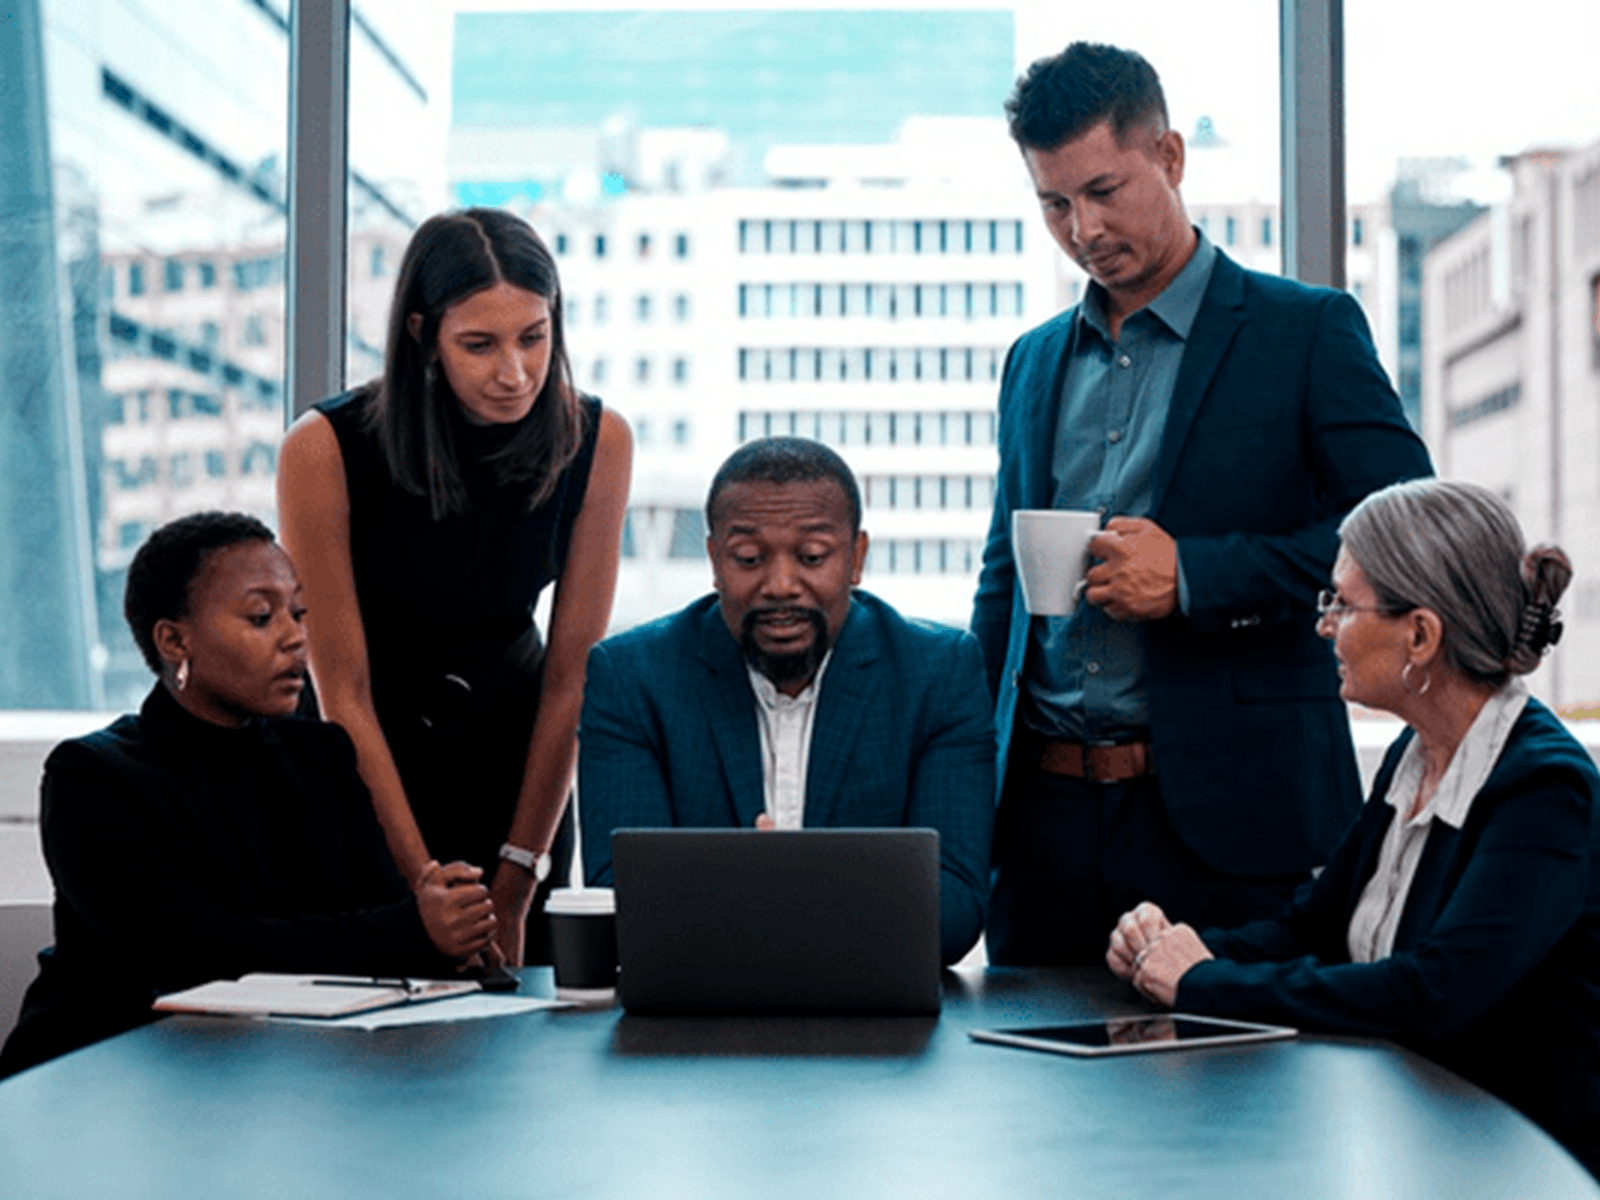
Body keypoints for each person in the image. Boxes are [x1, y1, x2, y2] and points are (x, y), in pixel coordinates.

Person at [971, 42, 1434, 965]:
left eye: (1104, 189)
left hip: (1235, 822)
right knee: (1033, 1099)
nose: (1082, 227)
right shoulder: (1030, 361)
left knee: (1240, 1098)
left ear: (1170, 157)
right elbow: (1001, 589)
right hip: (1044, 826)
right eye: (1054, 203)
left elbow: (1405, 534)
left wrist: (1193, 574)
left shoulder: (1303, 332)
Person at [1107, 479, 1600, 1177]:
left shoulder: (1546, 791)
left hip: (1513, 1163)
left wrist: (1203, 983)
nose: (1324, 625)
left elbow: (1432, 993)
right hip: (1407, 1128)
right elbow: (1313, 927)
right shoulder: (1415, 752)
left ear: (1421, 635)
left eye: (1342, 602)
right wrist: (1170, 950)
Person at [0, 513, 495, 1079]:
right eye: (261, 617)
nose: (295, 637)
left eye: (299, 612)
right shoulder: (92, 777)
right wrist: (412, 930)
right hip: (110, 1076)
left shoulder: (322, 755)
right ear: (173, 639)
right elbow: (195, 953)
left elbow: (380, 914)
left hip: (282, 1073)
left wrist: (441, 926)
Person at [278, 208, 631, 966]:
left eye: (534, 338)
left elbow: (574, 674)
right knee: (372, 1037)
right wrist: (423, 885)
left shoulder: (597, 440)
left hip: (518, 765)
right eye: (480, 344)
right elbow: (342, 688)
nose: (515, 373)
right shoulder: (323, 448)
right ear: (421, 333)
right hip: (366, 762)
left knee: (520, 1034)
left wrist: (518, 877)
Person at [578, 438, 993, 964]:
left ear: (856, 558)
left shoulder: (937, 674)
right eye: (748, 558)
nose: (780, 585)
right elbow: (619, 899)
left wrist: (767, 890)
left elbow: (954, 913)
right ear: (714, 559)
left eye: (812, 557)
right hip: (693, 1026)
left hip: (879, 1025)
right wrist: (824, 898)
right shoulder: (633, 678)